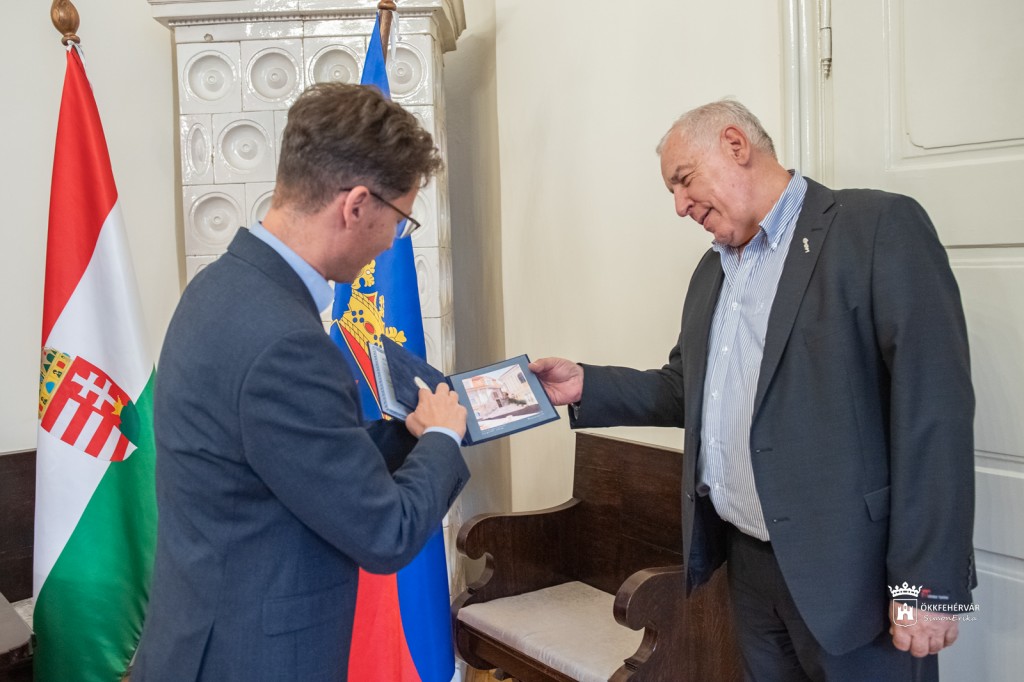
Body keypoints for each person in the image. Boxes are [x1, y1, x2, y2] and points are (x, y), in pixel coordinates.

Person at [530, 100, 975, 681]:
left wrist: (928, 589)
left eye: (683, 180)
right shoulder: (711, 271)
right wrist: (586, 385)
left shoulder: (876, 229)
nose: (679, 205)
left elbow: (934, 414)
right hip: (750, 568)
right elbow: (686, 390)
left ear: (736, 145)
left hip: (853, 578)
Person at [134, 82, 469, 681]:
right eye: (401, 220)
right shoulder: (287, 342)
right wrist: (443, 439)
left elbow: (288, 455)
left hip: (201, 635)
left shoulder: (220, 285)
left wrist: (409, 433)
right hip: (252, 659)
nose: (392, 242)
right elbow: (386, 533)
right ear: (357, 205)